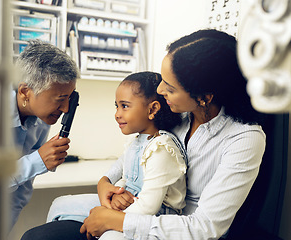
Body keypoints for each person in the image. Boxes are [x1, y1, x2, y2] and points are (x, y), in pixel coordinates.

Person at [22, 29, 267, 240]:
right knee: (52, 217)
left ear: (205, 97)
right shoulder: (177, 115)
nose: (160, 90)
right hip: (141, 206)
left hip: (176, 229)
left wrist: (116, 221)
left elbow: (205, 227)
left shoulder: (245, 139)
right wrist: (106, 185)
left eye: (170, 87)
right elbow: (131, 156)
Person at [22, 71, 187, 239]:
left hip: (149, 219)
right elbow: (123, 172)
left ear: (152, 109)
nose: (117, 114)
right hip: (126, 206)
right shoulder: (137, 142)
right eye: (116, 106)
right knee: (59, 205)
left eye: (125, 106)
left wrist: (108, 216)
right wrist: (115, 191)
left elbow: (148, 207)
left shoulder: (162, 150)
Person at [0, 40, 79, 238]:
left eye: (70, 98)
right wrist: (37, 161)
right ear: (26, 92)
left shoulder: (43, 114)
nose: (66, 109)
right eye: (60, 99)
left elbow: (23, 184)